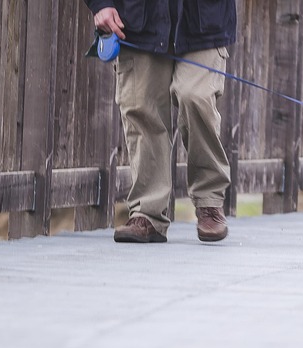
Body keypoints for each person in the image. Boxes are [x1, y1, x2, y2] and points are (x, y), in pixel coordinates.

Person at [87, 0, 237, 244]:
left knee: (195, 96)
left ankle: (209, 201)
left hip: (204, 19)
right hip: (137, 20)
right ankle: (147, 213)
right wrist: (100, 4)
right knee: (141, 107)